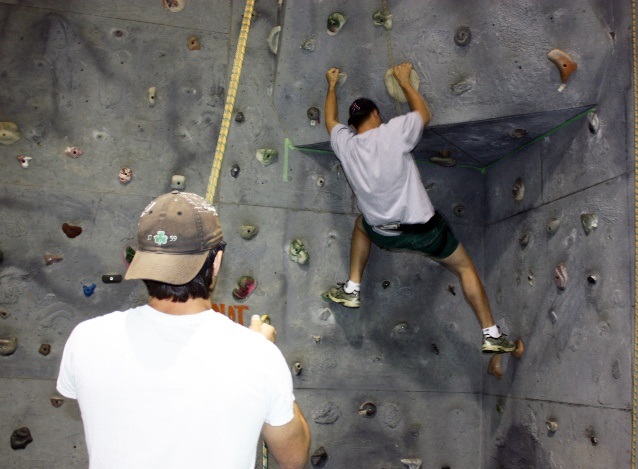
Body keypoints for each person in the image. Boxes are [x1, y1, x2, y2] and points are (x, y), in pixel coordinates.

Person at [57, 191, 310, 469]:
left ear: (142, 261)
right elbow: (294, 459)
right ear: (216, 262)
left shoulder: (87, 339)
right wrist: (264, 351)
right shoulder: (257, 356)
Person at [324, 63, 516, 354]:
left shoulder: (346, 146)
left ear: (352, 126)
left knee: (361, 225)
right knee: (465, 268)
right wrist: (405, 82)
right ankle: (491, 333)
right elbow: (423, 115)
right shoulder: (393, 131)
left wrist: (331, 85)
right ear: (376, 114)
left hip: (384, 233)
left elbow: (328, 119)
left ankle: (352, 288)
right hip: (426, 232)